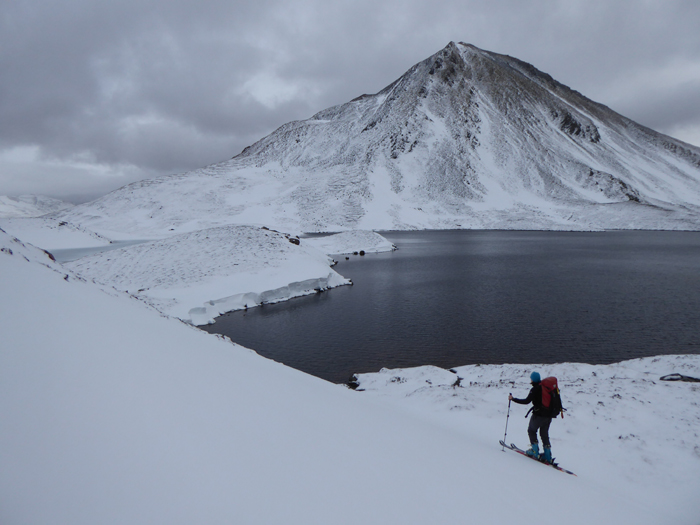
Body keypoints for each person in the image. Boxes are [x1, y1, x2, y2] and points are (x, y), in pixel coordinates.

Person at [508, 371, 553, 463]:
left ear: (533, 379)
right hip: (549, 416)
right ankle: (548, 456)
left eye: (531, 378)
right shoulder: (546, 388)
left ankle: (534, 451)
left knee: (531, 430)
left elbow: (526, 401)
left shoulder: (535, 389)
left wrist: (513, 399)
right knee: (544, 434)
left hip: (538, 415)